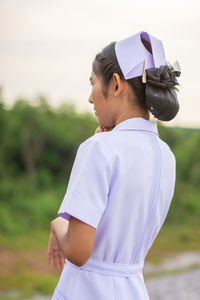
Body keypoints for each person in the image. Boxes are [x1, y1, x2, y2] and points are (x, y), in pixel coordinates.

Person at [47, 31, 181, 300]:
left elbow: (78, 251)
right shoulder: (166, 155)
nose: (90, 97)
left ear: (116, 84)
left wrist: (57, 226)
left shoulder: (98, 149)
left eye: (93, 83)